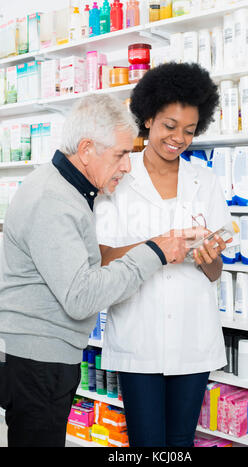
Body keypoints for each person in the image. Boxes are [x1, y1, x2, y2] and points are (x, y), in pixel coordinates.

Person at [0, 94, 194, 447]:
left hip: (42, 355)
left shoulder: (70, 190)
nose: (127, 165)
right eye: (121, 154)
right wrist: (155, 252)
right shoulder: (53, 200)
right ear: (87, 148)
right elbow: (81, 296)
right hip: (37, 360)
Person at [95, 62, 233, 447]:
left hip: (193, 334)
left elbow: (215, 272)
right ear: (149, 118)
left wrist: (207, 256)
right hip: (139, 335)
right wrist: (159, 246)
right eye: (170, 126)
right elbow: (103, 257)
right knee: (146, 442)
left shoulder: (204, 181)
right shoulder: (120, 178)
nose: (178, 138)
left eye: (189, 131)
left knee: (180, 442)